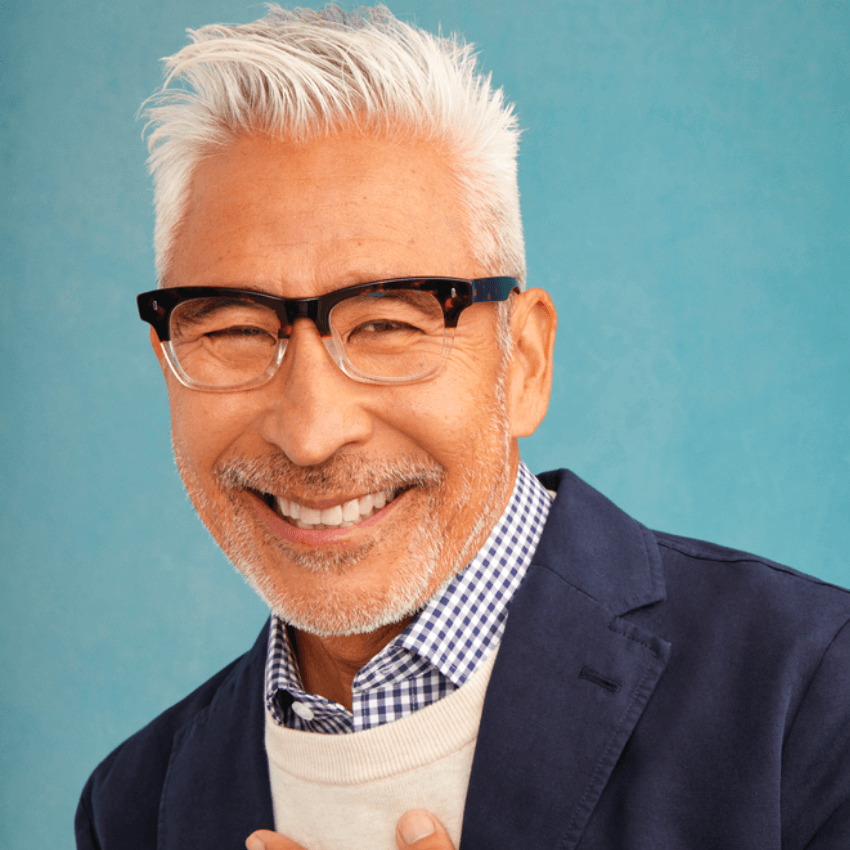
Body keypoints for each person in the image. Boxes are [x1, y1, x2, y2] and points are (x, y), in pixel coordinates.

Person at [76, 6, 850, 850]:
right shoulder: (134, 807)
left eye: (387, 325)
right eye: (231, 330)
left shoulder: (813, 693)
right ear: (168, 366)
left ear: (523, 360)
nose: (310, 433)